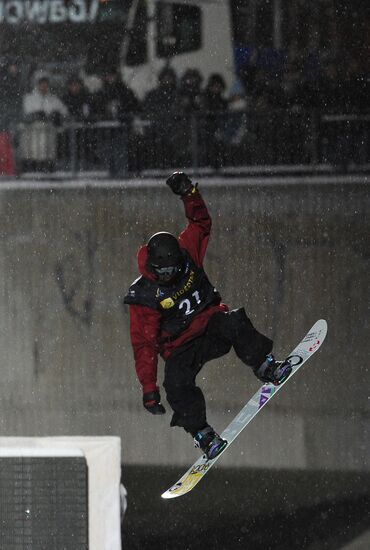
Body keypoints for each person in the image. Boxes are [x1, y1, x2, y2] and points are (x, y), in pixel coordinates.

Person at [124, 172, 292, 460]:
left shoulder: (187, 251)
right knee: (176, 384)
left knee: (235, 322)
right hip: (181, 347)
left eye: (173, 269)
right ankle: (201, 432)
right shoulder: (144, 295)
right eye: (162, 272)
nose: (169, 276)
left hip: (211, 324)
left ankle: (264, 366)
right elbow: (144, 344)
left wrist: (189, 194)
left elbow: (200, 223)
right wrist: (149, 389)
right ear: (152, 267)